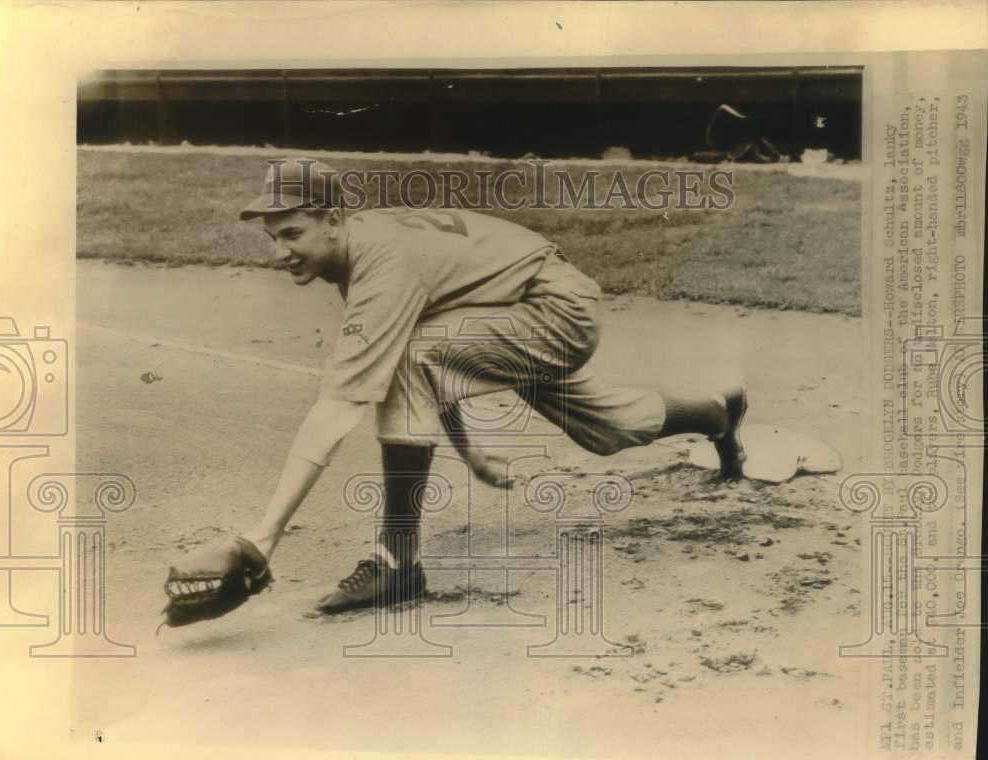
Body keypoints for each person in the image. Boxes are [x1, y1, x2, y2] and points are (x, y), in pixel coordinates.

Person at [163, 158, 747, 622]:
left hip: (552, 309)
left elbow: (345, 403)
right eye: (272, 236)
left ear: (335, 218)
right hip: (512, 303)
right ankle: (719, 413)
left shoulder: (381, 262)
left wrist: (264, 536)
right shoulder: (364, 246)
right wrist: (468, 450)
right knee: (608, 428)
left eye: (292, 233)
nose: (278, 252)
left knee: (410, 358)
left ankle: (397, 562)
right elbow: (430, 362)